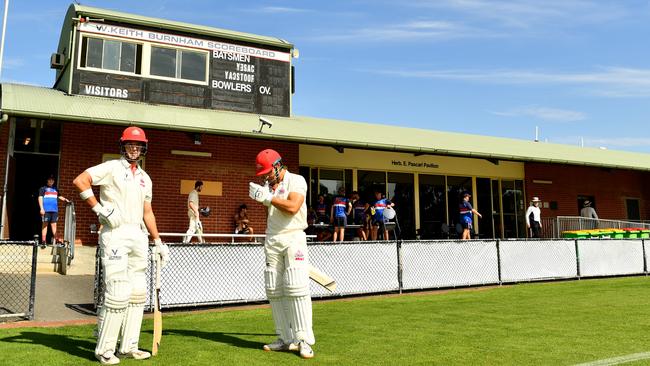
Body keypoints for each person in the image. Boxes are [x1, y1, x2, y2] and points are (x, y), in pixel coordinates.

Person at [73, 126, 170, 365]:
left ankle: (129, 346)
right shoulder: (111, 168)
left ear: (143, 149)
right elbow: (80, 181)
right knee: (117, 293)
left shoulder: (145, 179)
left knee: (137, 294)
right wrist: (98, 208)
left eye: (138, 146)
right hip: (115, 234)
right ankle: (105, 350)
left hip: (138, 235)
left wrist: (157, 240)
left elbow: (147, 211)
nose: (134, 149)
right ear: (123, 146)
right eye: (130, 145)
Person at [248, 148, 315, 359]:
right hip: (273, 238)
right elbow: (273, 212)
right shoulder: (270, 185)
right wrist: (264, 198)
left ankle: (303, 340)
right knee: (274, 289)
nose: (266, 176)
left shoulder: (297, 180)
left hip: (294, 236)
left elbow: (293, 207)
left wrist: (267, 198)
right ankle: (285, 339)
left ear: (278, 166)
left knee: (296, 286)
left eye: (268, 172)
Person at [38, 174, 69, 244]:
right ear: (47, 180)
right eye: (50, 180)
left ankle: (56, 239)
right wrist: (41, 208)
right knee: (45, 224)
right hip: (46, 210)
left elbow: (59, 196)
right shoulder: (43, 188)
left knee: (54, 225)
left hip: (54, 210)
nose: (51, 181)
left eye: (52, 180)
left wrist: (65, 199)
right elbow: (40, 198)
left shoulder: (55, 189)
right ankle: (43, 240)